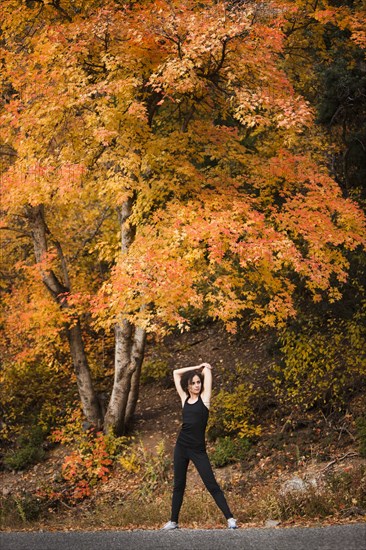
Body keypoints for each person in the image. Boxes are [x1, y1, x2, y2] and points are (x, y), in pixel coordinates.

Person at [162, 362, 237, 530]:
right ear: (188, 386)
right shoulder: (184, 399)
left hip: (198, 450)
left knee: (211, 484)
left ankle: (230, 518)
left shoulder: (205, 399)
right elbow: (175, 372)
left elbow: (208, 370)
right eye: (194, 383)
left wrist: (203, 368)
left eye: (198, 382)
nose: (197, 385)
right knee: (179, 484)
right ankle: (173, 521)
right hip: (181, 447)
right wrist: (195, 367)